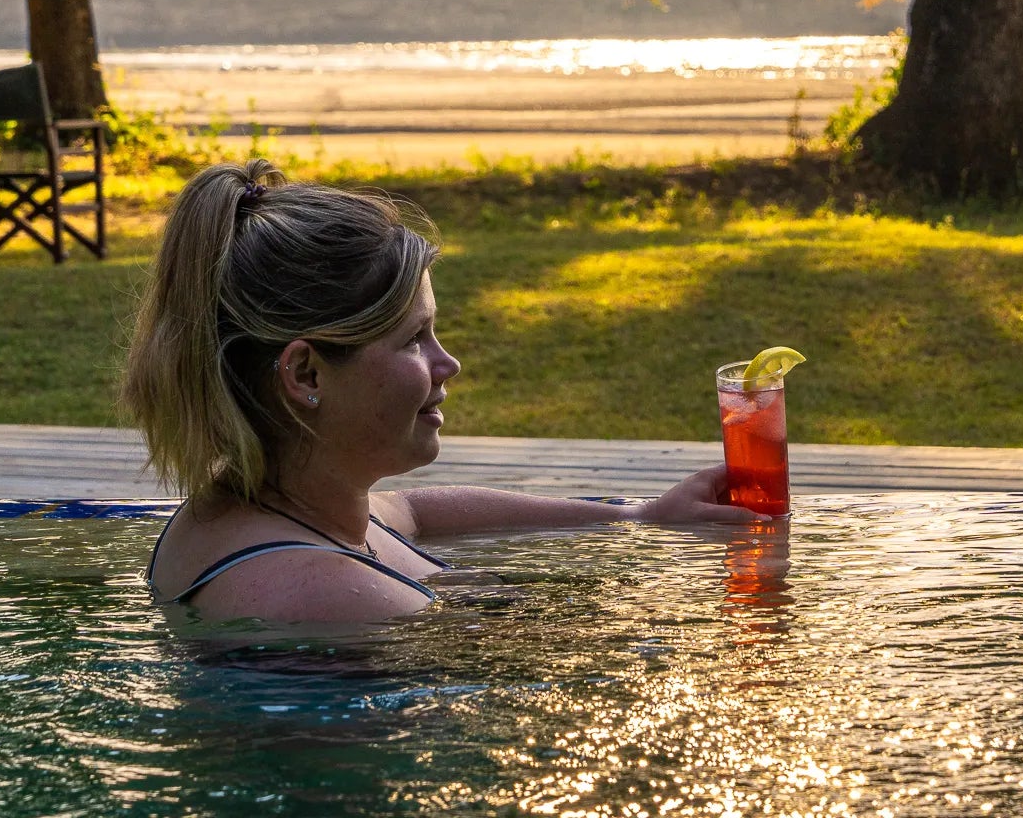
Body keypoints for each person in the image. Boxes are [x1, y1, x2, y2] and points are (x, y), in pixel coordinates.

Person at [123, 159, 760, 623]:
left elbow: (419, 512)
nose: (447, 363)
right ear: (306, 375)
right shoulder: (316, 590)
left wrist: (637, 520)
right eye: (414, 340)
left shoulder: (284, 512)